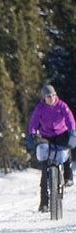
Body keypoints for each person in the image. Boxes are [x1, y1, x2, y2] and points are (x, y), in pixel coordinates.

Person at [27, 84, 76, 212]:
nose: (51, 98)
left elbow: (70, 118)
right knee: (45, 168)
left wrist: (72, 132)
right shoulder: (40, 108)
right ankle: (44, 203)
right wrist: (32, 134)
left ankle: (68, 176)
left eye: (53, 95)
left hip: (61, 134)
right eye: (48, 96)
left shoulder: (61, 105)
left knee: (66, 149)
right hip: (46, 136)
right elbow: (33, 122)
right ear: (44, 97)